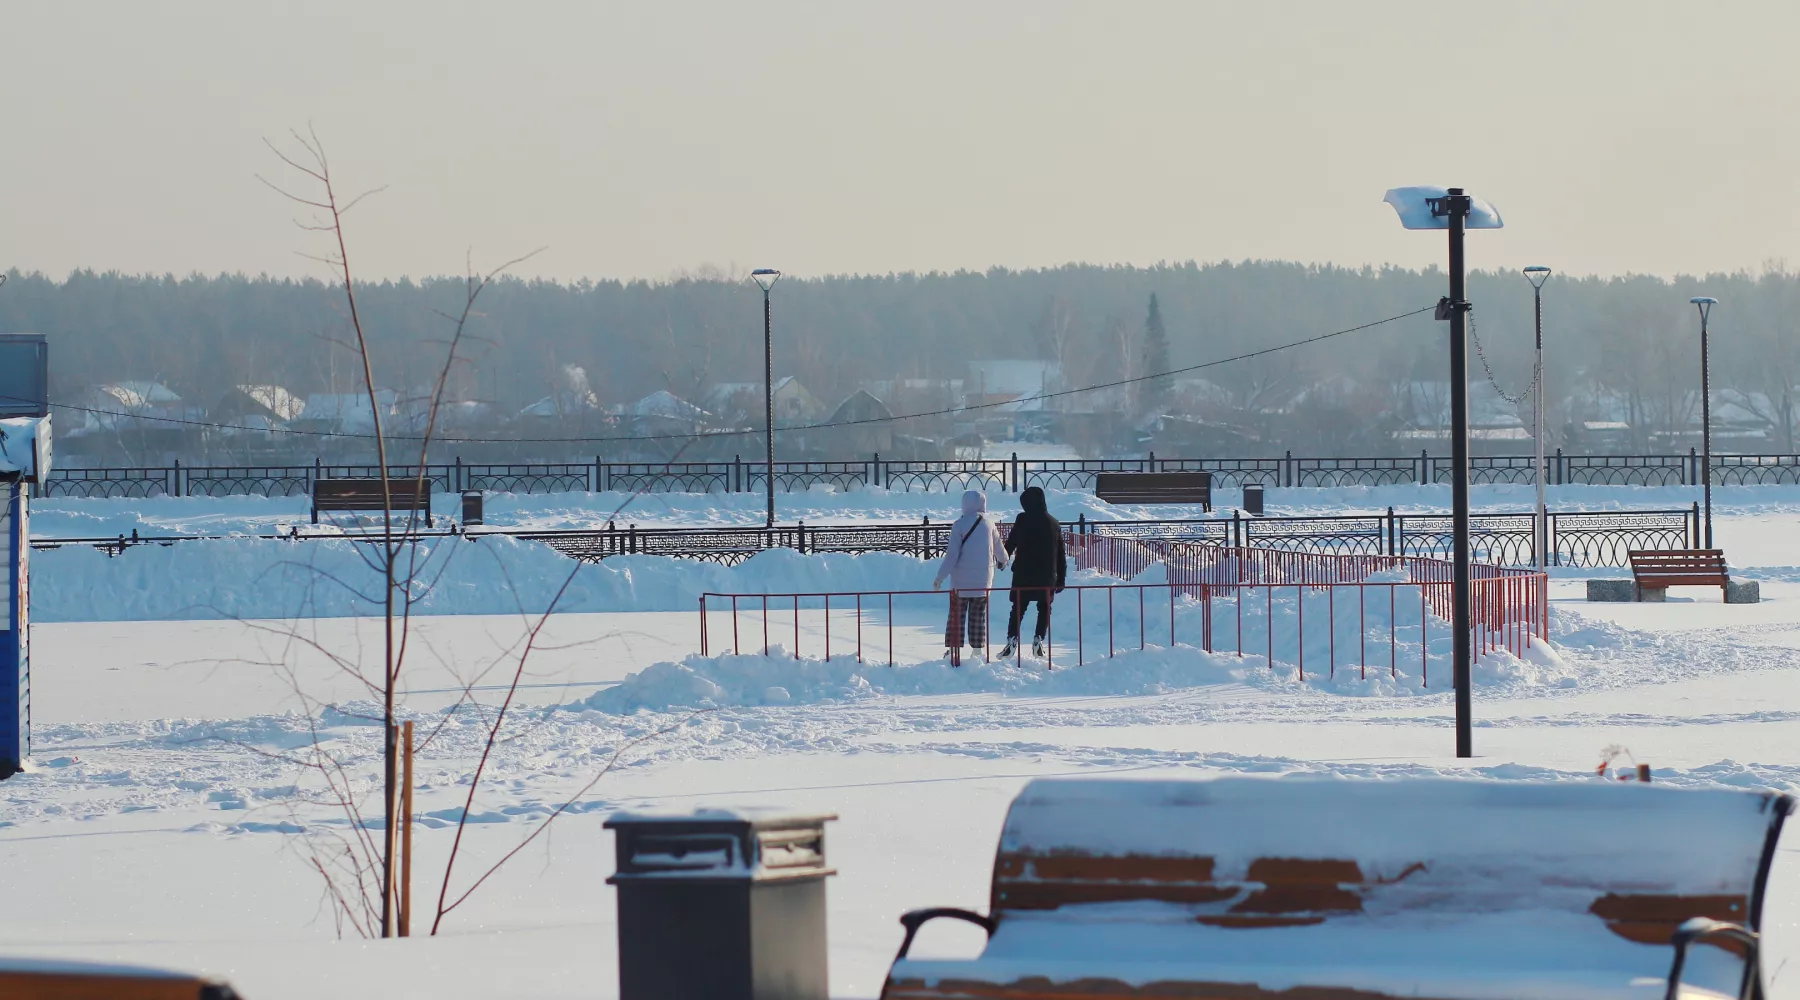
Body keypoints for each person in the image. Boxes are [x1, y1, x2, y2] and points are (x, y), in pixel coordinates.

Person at [932, 489, 1008, 665]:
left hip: (960, 582)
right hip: (983, 581)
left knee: (956, 615)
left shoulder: (959, 525)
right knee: (978, 616)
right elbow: (1000, 551)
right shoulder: (989, 525)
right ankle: (977, 651)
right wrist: (1004, 561)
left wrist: (939, 577)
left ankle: (953, 650)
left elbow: (952, 556)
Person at [1001, 485, 1066, 659]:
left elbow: (1011, 542)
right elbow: (1060, 554)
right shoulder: (1054, 523)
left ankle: (1012, 641)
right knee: (1044, 607)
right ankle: (1039, 640)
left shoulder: (1023, 519)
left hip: (1024, 574)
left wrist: (1002, 558)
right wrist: (1061, 579)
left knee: (1018, 609)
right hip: (1047, 576)